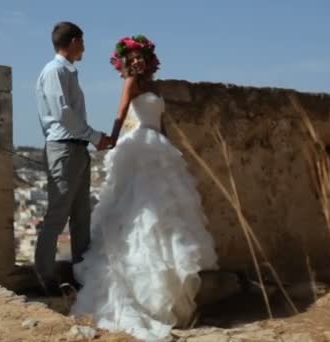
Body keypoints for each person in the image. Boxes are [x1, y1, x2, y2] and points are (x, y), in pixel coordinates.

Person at [70, 35, 219, 341]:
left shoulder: (154, 86)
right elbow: (121, 113)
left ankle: (169, 299)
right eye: (133, 58)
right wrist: (110, 140)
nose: (138, 62)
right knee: (138, 211)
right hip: (138, 148)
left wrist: (168, 143)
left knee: (166, 216)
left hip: (158, 147)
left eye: (142, 57)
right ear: (126, 62)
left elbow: (161, 122)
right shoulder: (131, 84)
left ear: (149, 60)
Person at [34, 21, 113, 294]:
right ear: (75, 40)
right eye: (83, 41)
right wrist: (95, 137)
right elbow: (64, 114)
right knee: (57, 215)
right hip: (65, 148)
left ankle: (82, 274)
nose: (85, 47)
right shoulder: (55, 70)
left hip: (76, 149)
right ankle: (46, 276)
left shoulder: (66, 71)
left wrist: (89, 139)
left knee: (81, 214)